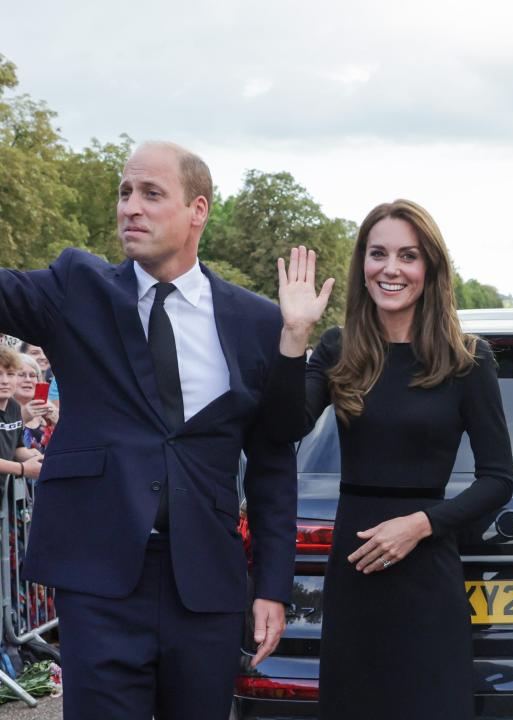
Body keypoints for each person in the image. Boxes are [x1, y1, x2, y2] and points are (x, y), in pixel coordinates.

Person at [0, 141, 297, 719]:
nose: (130, 207)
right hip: (98, 580)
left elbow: (272, 462)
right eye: (125, 192)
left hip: (206, 583)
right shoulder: (76, 288)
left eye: (151, 194)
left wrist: (272, 586)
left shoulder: (256, 321)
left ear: (198, 211)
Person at [268, 200, 513, 719]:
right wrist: (295, 334)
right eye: (378, 254)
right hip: (355, 573)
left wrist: (421, 525)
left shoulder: (467, 359)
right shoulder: (338, 348)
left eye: (408, 255)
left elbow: (498, 479)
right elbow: (283, 428)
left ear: (430, 268)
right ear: (363, 265)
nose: (392, 268)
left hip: (428, 571)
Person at [0, 348, 43, 481]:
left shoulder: (14, 406)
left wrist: (40, 460)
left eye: (11, 374)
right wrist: (23, 468)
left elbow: (17, 448)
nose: (5, 381)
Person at [14, 353, 58, 452]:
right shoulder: (5, 414)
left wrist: (58, 424)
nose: (28, 380)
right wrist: (22, 419)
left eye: (33, 375)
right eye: (21, 375)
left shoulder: (49, 410)